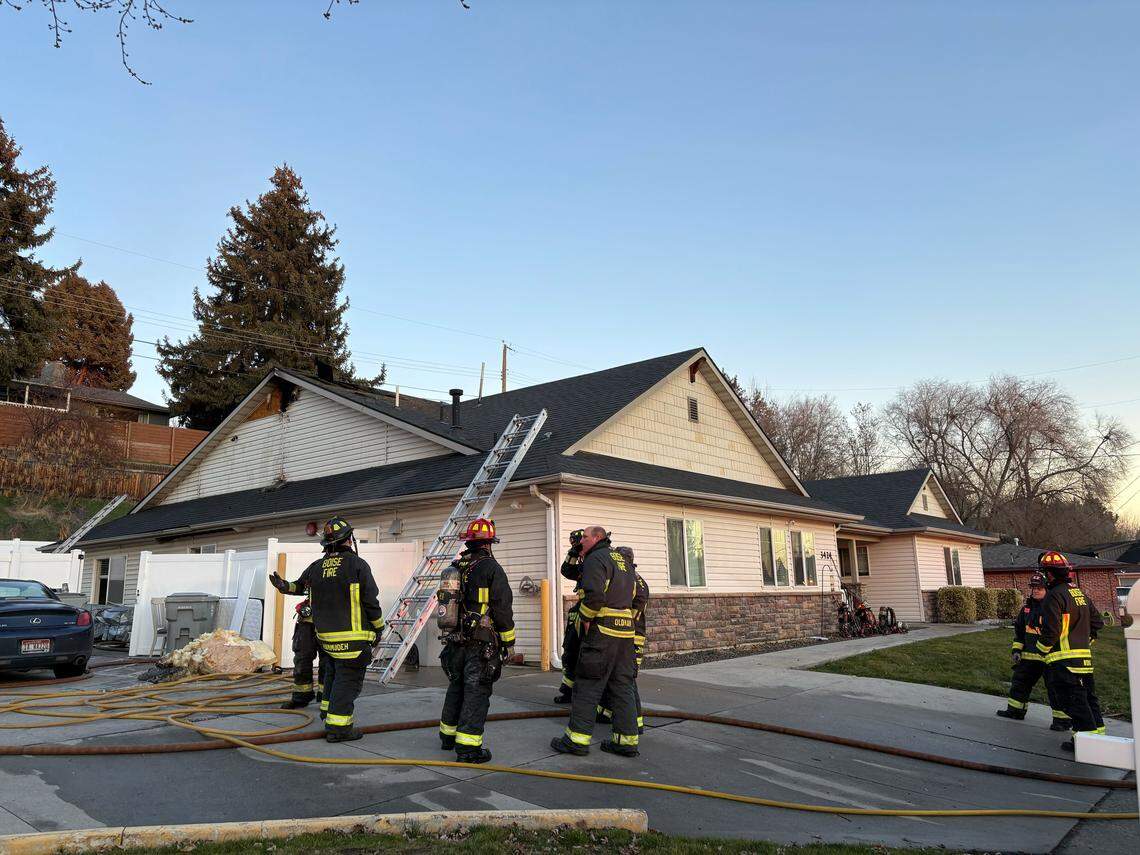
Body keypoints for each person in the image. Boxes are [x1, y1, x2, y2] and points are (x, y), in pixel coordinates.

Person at [269, 516, 384, 743]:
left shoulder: (317, 567)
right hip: (354, 640)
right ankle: (339, 728)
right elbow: (371, 601)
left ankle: (328, 713)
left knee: (331, 677)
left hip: (326, 640)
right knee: (347, 682)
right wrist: (379, 628)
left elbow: (298, 586)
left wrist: (284, 586)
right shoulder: (358, 565)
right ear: (349, 540)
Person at [550, 526, 639, 758]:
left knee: (588, 684)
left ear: (597, 537)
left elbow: (595, 595)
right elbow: (631, 596)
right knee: (622, 686)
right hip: (625, 634)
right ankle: (626, 742)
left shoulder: (595, 559)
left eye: (585, 537)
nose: (582, 540)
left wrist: (587, 618)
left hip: (602, 632)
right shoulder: (621, 559)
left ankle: (576, 740)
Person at [437, 517, 515, 764]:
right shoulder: (491, 568)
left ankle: (448, 737)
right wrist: (508, 641)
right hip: (480, 643)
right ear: (489, 543)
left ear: (469, 543)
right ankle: (468, 748)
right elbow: (502, 608)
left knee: (456, 686)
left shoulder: (457, 566)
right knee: (477, 691)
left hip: (455, 640)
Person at [1034, 550, 1105, 752]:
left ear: (1049, 574)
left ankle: (1086, 744)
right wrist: (1085, 641)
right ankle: (1099, 739)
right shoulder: (1080, 593)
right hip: (1084, 661)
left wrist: (1041, 650)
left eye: (1044, 573)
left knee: (1074, 702)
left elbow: (1052, 631)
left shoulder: (1054, 596)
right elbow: (1097, 623)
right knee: (1089, 699)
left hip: (1064, 662)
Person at [995, 571, 1070, 730]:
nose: (1035, 591)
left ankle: (1062, 721)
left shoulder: (1053, 608)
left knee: (1055, 688)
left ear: (1047, 589)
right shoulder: (1026, 610)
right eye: (1033, 588)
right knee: (1020, 683)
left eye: (1040, 588)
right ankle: (1015, 710)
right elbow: (1020, 633)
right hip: (1029, 657)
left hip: (1050, 657)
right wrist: (1016, 651)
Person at [596, 546, 649, 735]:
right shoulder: (636, 579)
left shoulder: (631, 579)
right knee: (617, 678)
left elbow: (633, 612)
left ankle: (636, 722)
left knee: (627, 680)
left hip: (630, 636)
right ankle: (608, 713)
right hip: (630, 634)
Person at [554, 529, 586, 704]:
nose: (576, 547)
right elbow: (566, 570)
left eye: (578, 543)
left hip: (592, 613)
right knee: (570, 652)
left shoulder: (596, 560)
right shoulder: (581, 560)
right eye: (573, 544)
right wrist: (573, 552)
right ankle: (568, 691)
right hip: (580, 609)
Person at [280, 595, 328, 713]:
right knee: (302, 658)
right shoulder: (312, 574)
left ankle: (326, 699)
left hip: (330, 619)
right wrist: (285, 586)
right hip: (307, 620)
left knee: (327, 662)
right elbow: (299, 585)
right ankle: (301, 697)